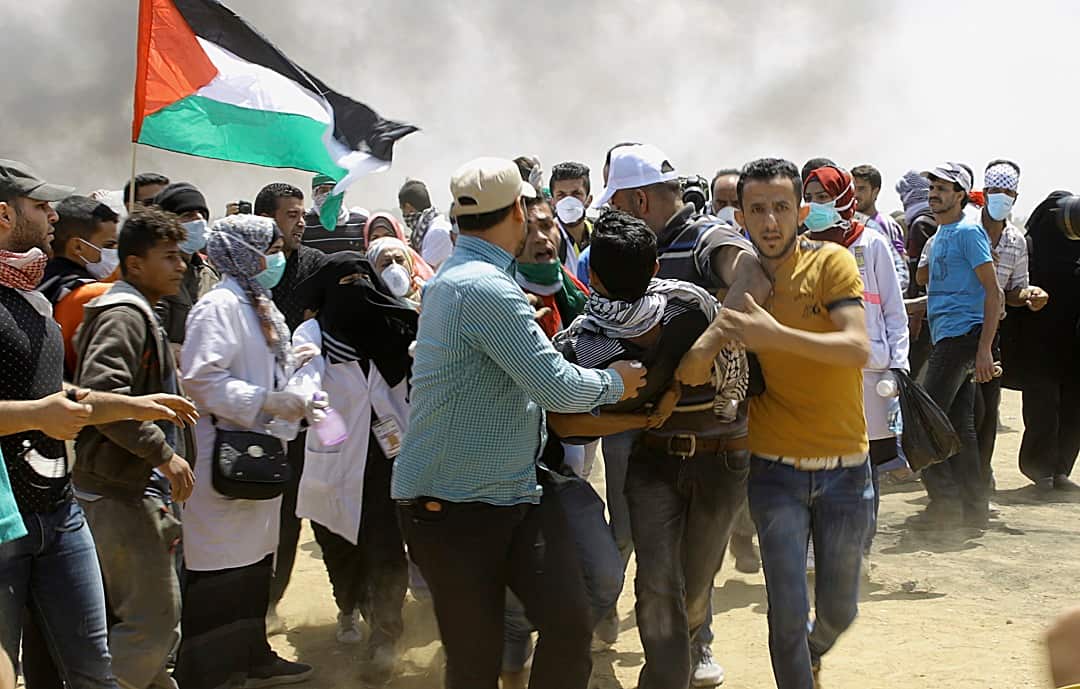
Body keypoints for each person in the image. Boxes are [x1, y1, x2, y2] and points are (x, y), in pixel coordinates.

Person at [392, 157, 646, 689]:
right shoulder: (486, 288)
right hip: (456, 506)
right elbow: (555, 386)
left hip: (507, 495)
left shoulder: (466, 277)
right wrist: (619, 381)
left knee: (567, 623)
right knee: (476, 660)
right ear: (517, 212)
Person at [0, 159, 196, 689]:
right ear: (3, 215)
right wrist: (39, 416)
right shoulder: (114, 308)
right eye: (40, 207)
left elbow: (60, 393)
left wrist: (132, 405)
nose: (53, 218)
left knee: (95, 670)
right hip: (8, 522)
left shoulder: (33, 297)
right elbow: (41, 405)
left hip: (59, 512)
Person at [594, 143, 770, 687]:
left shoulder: (703, 239)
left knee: (696, 572)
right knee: (646, 565)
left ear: (641, 198)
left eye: (618, 204)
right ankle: (650, 656)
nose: (609, 216)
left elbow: (756, 276)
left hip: (714, 447)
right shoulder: (622, 249)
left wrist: (705, 346)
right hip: (643, 441)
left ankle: (696, 646)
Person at [556, 210, 749, 689]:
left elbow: (571, 423)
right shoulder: (691, 305)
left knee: (688, 590)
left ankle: (682, 658)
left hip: (706, 463)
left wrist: (656, 401)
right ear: (657, 268)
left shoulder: (585, 344)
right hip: (678, 462)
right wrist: (651, 412)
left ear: (592, 276)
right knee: (662, 587)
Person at [708, 157, 872, 689]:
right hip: (774, 472)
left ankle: (815, 646)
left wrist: (773, 335)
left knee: (840, 610)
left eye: (781, 207)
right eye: (757, 209)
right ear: (742, 217)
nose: (771, 221)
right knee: (784, 608)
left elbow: (856, 348)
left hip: (846, 471)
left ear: (802, 211)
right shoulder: (744, 285)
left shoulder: (831, 264)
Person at [176, 215, 313, 689]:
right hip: (225, 454)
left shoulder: (261, 305)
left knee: (255, 563)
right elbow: (202, 378)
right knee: (220, 569)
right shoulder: (218, 306)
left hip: (261, 453)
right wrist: (265, 401)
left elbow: (263, 366)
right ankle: (211, 673)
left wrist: (296, 375)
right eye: (271, 246)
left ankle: (253, 655)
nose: (278, 255)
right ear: (243, 250)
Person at [73, 208, 197, 689]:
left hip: (126, 488)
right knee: (151, 622)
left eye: (181, 255)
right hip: (122, 492)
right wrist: (163, 454)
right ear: (135, 263)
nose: (181, 266)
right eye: (168, 257)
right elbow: (103, 395)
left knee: (150, 626)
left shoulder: (137, 311)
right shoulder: (124, 316)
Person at [290, 251, 418, 679]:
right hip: (337, 451)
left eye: (364, 280)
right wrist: (314, 406)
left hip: (388, 455)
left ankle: (385, 636)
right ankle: (349, 605)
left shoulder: (398, 326)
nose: (357, 291)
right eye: (345, 284)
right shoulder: (314, 332)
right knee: (339, 545)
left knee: (386, 548)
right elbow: (303, 375)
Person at [802, 164, 909, 560]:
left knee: (863, 465)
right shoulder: (801, 248)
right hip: (817, 372)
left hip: (869, 372)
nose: (814, 207)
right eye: (809, 199)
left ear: (843, 199)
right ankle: (815, 548)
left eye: (822, 199)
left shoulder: (872, 244)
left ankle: (858, 550)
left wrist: (899, 366)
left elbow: (895, 314)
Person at [255, 182, 329, 630]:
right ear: (268, 220)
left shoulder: (316, 266)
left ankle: (348, 602)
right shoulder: (251, 272)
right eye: (290, 215)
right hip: (260, 417)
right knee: (274, 515)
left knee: (320, 504)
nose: (300, 222)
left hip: (315, 415)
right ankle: (265, 607)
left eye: (302, 215)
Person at [916, 162, 1001, 528]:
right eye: (932, 187)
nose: (934, 193)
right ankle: (973, 510)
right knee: (959, 426)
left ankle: (946, 504)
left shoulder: (969, 232)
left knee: (921, 419)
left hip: (962, 338)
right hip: (946, 335)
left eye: (943, 187)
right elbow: (946, 292)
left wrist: (984, 350)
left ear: (960, 194)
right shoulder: (940, 236)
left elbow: (993, 294)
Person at [967, 161, 1047, 493]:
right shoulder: (964, 229)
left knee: (986, 415)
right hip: (957, 330)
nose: (1001, 198)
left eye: (1007, 193)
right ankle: (956, 485)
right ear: (985, 194)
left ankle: (980, 480)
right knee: (963, 412)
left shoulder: (1015, 239)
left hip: (992, 333)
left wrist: (1027, 296)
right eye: (995, 192)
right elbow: (927, 275)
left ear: (1015, 196)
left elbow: (1014, 291)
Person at [1012, 192, 1080, 491]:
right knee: (1042, 408)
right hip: (1038, 346)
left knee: (1074, 407)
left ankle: (1062, 469)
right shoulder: (1029, 249)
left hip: (1074, 346)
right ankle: (1040, 470)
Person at [37, 196, 120, 377]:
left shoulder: (37, 276)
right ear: (78, 247)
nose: (116, 252)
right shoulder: (87, 294)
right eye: (109, 245)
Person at [149, 182, 219, 353]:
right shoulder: (155, 273)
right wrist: (169, 349)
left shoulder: (208, 273)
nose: (199, 221)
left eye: (202, 214)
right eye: (188, 215)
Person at [514, 195, 588, 339]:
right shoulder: (510, 299)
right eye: (526, 231)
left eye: (546, 226)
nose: (540, 237)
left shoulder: (571, 284)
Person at [548, 162, 594, 279]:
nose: (568, 201)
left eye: (576, 194)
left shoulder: (600, 234)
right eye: (561, 195)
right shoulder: (547, 241)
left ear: (588, 200)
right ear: (552, 201)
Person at [303, 175, 369, 254]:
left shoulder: (361, 223)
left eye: (334, 190)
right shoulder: (303, 223)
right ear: (314, 194)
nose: (328, 194)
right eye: (323, 190)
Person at [852, 165, 907, 259]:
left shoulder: (887, 224)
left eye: (861, 189)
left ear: (875, 192)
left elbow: (899, 261)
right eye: (853, 188)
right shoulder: (846, 224)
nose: (855, 194)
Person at [397, 180, 454, 270]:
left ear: (408, 208)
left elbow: (424, 271)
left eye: (402, 209)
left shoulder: (438, 232)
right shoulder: (423, 232)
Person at [363, 212, 434, 280]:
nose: (383, 241)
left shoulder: (419, 276)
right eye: (375, 238)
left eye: (388, 236)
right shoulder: (364, 276)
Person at [368, 237, 428, 306]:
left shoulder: (428, 294)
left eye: (399, 260)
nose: (395, 267)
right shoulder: (372, 303)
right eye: (386, 264)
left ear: (410, 262)